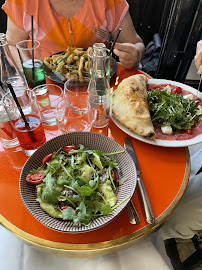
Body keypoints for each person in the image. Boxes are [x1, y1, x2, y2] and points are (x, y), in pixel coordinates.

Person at [1, 0, 145, 70]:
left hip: (96, 84)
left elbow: (136, 44)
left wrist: (135, 54)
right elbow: (13, 44)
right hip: (43, 86)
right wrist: (29, 70)